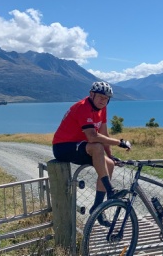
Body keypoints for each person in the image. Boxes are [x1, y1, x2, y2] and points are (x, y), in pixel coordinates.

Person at [52, 81, 132, 222]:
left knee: (110, 164)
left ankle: (97, 207)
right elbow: (93, 137)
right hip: (63, 147)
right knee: (96, 146)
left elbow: (104, 135)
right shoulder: (83, 107)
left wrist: (110, 155)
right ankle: (110, 190)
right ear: (91, 94)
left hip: (83, 146)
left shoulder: (102, 109)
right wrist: (120, 142)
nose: (103, 100)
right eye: (101, 97)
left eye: (107, 98)